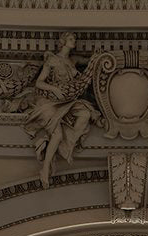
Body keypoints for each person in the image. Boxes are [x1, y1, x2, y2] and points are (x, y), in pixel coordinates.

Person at [23, 32, 98, 188]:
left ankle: (66, 146)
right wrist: (54, 89)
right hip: (52, 102)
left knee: (85, 113)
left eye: (74, 39)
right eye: (71, 39)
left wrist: (99, 55)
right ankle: (45, 169)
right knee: (56, 135)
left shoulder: (73, 60)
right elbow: (39, 83)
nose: (74, 42)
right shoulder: (53, 60)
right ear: (63, 41)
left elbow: (90, 62)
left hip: (69, 101)